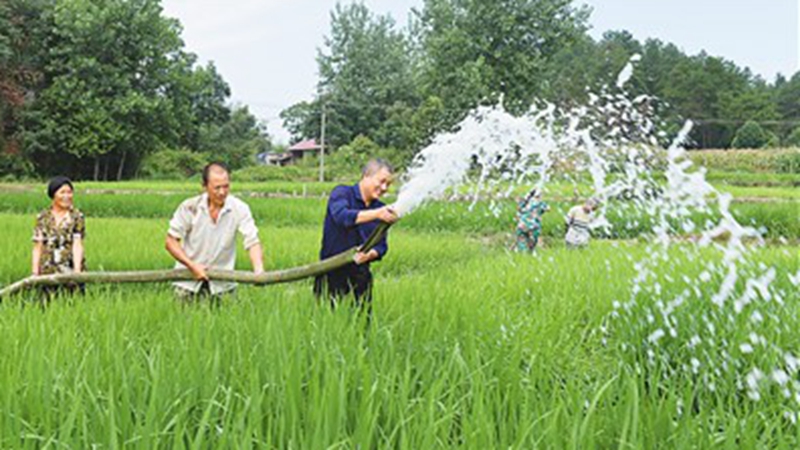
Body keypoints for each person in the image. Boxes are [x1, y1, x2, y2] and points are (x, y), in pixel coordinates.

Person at [165, 162, 264, 302]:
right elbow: (171, 241)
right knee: (182, 321)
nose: (222, 192)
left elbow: (252, 241)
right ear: (205, 186)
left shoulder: (240, 208)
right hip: (187, 282)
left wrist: (258, 270)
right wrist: (193, 266)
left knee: (227, 321)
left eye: (226, 186)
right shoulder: (190, 207)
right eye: (217, 188)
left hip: (223, 284)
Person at [314, 158, 398, 315]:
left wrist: (370, 254)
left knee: (360, 327)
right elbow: (342, 217)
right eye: (381, 181)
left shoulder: (380, 208)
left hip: (360, 276)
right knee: (325, 324)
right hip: (330, 271)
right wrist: (377, 214)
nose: (384, 188)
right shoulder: (342, 193)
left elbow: (381, 246)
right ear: (366, 175)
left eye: (388, 184)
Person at [31, 176, 86, 297]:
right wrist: (35, 272)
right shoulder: (42, 217)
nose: (67, 196)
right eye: (62, 192)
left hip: (69, 267)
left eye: (69, 192)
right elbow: (38, 246)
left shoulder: (77, 217)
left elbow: (77, 244)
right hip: (48, 269)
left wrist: (77, 271)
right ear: (53, 195)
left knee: (73, 303)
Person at [515, 188, 549, 253]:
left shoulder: (525, 202)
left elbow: (519, 210)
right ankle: (529, 254)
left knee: (522, 243)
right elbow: (548, 208)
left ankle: (522, 257)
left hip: (522, 226)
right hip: (533, 227)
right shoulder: (540, 203)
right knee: (532, 245)